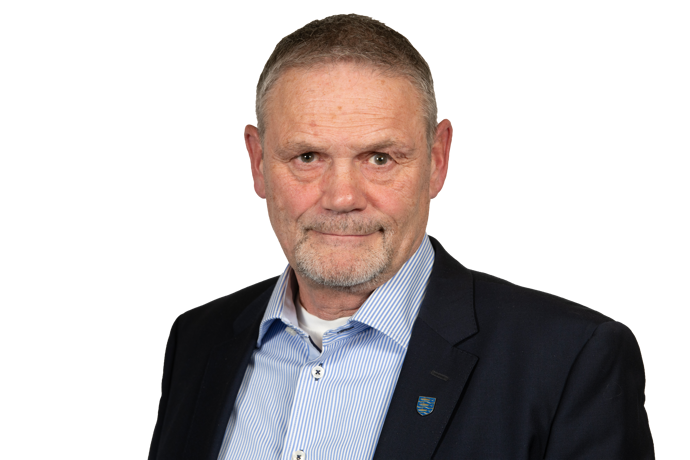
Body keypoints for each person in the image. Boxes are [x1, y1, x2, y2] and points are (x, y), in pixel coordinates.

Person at [147, 12, 655, 460]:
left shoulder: (572, 358)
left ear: (438, 159)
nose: (342, 197)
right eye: (307, 157)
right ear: (257, 162)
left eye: (379, 158)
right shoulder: (197, 340)